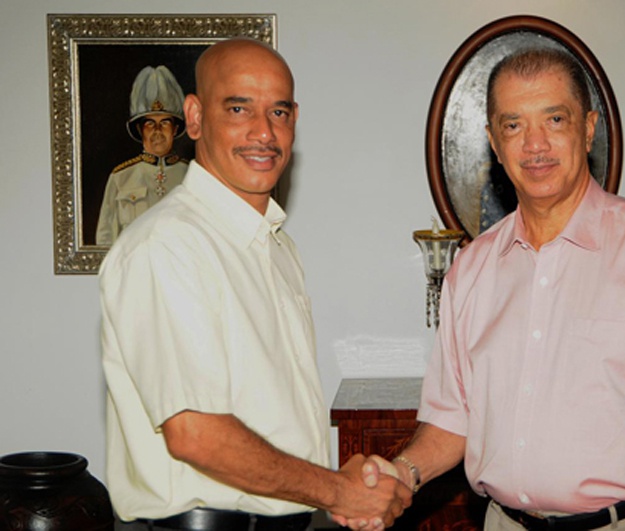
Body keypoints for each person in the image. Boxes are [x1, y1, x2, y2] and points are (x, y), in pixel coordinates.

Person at [352, 48, 625, 531]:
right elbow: (452, 420)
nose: (535, 144)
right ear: (494, 143)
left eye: (555, 119)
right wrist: (402, 472)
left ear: (588, 128)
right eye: (513, 125)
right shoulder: (472, 269)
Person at [100, 38, 410, 531]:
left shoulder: (277, 247)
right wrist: (340, 491)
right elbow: (195, 434)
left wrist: (348, 486)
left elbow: (274, 423)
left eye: (279, 112)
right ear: (195, 117)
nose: (264, 132)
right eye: (239, 108)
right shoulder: (167, 246)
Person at [96, 65, 190, 246]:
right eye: (150, 124)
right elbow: (104, 240)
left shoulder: (191, 174)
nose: (157, 131)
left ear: (175, 128)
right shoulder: (121, 178)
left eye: (165, 123)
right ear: (140, 130)